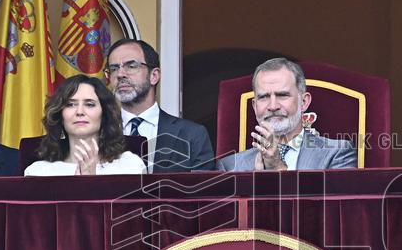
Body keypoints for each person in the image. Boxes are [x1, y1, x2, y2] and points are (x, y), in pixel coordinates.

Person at [217, 58, 356, 171]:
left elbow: (337, 206)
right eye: (264, 97)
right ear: (254, 106)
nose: (272, 106)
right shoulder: (230, 167)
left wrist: (278, 168)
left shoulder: (337, 154)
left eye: (282, 95)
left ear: (304, 102)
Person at [105, 39, 214, 172]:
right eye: (114, 68)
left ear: (154, 76)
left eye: (131, 66)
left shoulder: (192, 135)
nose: (120, 74)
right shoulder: (98, 133)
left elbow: (204, 191)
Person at [24, 74, 146, 176]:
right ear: (60, 116)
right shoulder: (38, 172)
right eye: (70, 104)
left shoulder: (130, 166)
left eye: (89, 104)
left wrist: (91, 181)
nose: (80, 112)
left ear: (104, 115)